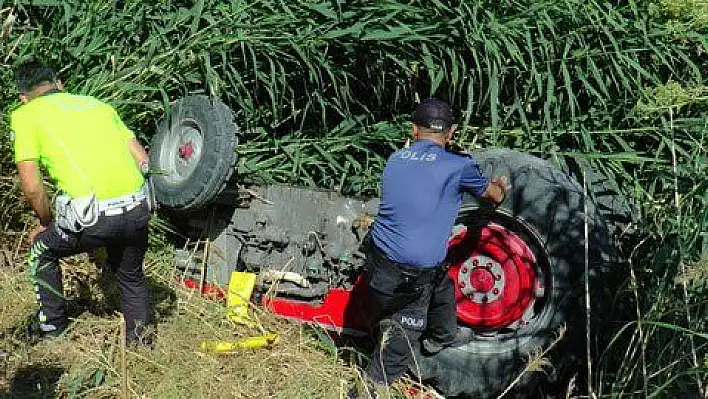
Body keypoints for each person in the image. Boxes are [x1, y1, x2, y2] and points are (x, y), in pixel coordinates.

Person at [354, 98, 507, 395]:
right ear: (451, 132)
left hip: (378, 262)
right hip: (408, 277)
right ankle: (365, 391)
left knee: (439, 279)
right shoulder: (458, 166)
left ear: (414, 130)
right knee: (395, 350)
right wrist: (499, 186)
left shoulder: (395, 159)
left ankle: (443, 334)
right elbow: (493, 196)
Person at [11, 60, 153, 345]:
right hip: (138, 208)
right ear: (59, 83)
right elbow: (143, 160)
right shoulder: (99, 106)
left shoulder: (25, 115)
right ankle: (141, 343)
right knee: (131, 276)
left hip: (94, 217)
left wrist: (47, 222)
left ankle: (53, 329)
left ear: (23, 97)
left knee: (42, 250)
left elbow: (32, 187)